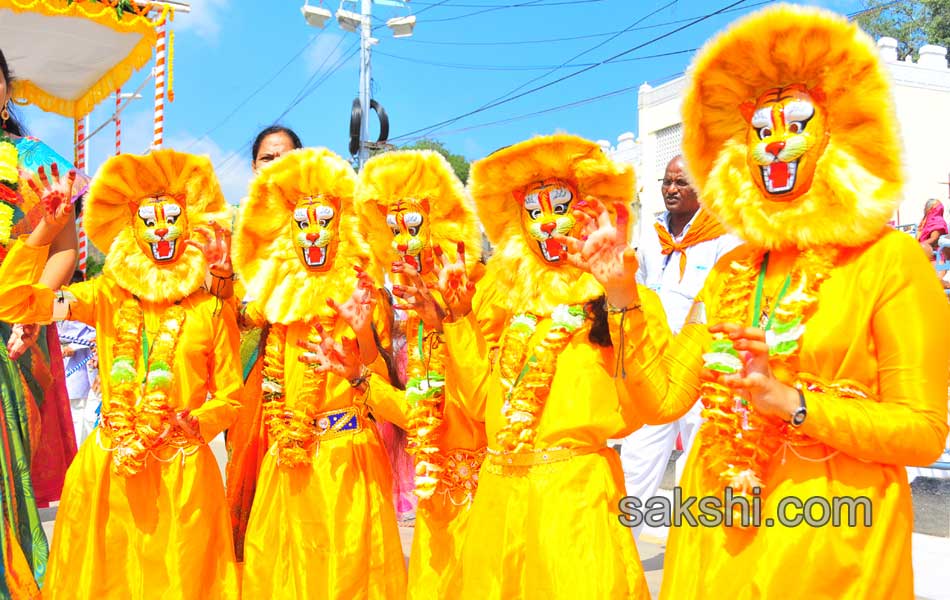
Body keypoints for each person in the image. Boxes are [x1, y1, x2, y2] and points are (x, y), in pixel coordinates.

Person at [597, 6, 950, 598]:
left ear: (839, 135)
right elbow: (661, 401)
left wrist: (793, 402)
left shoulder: (891, 259)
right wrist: (620, 292)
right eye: (760, 131)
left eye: (796, 125)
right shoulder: (734, 266)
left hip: (832, 541)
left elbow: (922, 434)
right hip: (716, 529)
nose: (776, 144)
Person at [0, 149, 243, 599]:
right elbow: (12, 303)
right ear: (132, 230)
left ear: (189, 228)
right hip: (110, 470)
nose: (162, 230)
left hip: (183, 475)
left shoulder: (209, 308)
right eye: (149, 221)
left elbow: (232, 396)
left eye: (172, 218)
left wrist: (197, 423)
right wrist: (46, 231)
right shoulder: (106, 298)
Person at [438, 133, 666, 599]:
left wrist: (620, 298)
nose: (547, 225)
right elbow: (482, 405)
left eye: (560, 207)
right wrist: (459, 319)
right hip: (500, 500)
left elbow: (648, 406)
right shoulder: (503, 304)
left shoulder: (623, 299)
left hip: (575, 500)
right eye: (534, 211)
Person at [233, 147, 407, 598]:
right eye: (301, 226)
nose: (312, 236)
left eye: (323, 223)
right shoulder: (275, 302)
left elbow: (380, 382)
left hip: (347, 458)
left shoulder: (363, 294)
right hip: (288, 456)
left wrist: (361, 330)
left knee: (348, 577)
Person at [351, 149, 488, 599]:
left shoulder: (480, 288)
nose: (405, 242)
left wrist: (450, 317)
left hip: (484, 482)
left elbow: (482, 398)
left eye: (414, 226)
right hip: (434, 483)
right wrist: (359, 369)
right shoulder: (398, 303)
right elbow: (408, 407)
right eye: (394, 231)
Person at [620, 155, 740, 539]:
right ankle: (619, 551)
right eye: (667, 182)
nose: (671, 189)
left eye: (681, 183)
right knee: (636, 462)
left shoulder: (724, 235)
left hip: (704, 369)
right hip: (655, 364)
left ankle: (693, 559)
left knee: (697, 464)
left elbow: (724, 297)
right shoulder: (651, 236)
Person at [0, 46, 82, 596]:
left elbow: (65, 251)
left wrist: (27, 307)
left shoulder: (34, 160)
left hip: (10, 328)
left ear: (6, 96)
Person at [219, 124, 304, 561]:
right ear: (254, 168)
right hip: (249, 359)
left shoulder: (318, 216)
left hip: (307, 362)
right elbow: (219, 299)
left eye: (285, 156)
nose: (276, 164)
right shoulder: (233, 224)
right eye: (267, 158)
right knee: (247, 471)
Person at [56, 270, 99, 446]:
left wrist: (73, 347)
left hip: (82, 368)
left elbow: (94, 332)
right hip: (62, 364)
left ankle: (79, 450)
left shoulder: (84, 300)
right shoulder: (59, 299)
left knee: (82, 415)